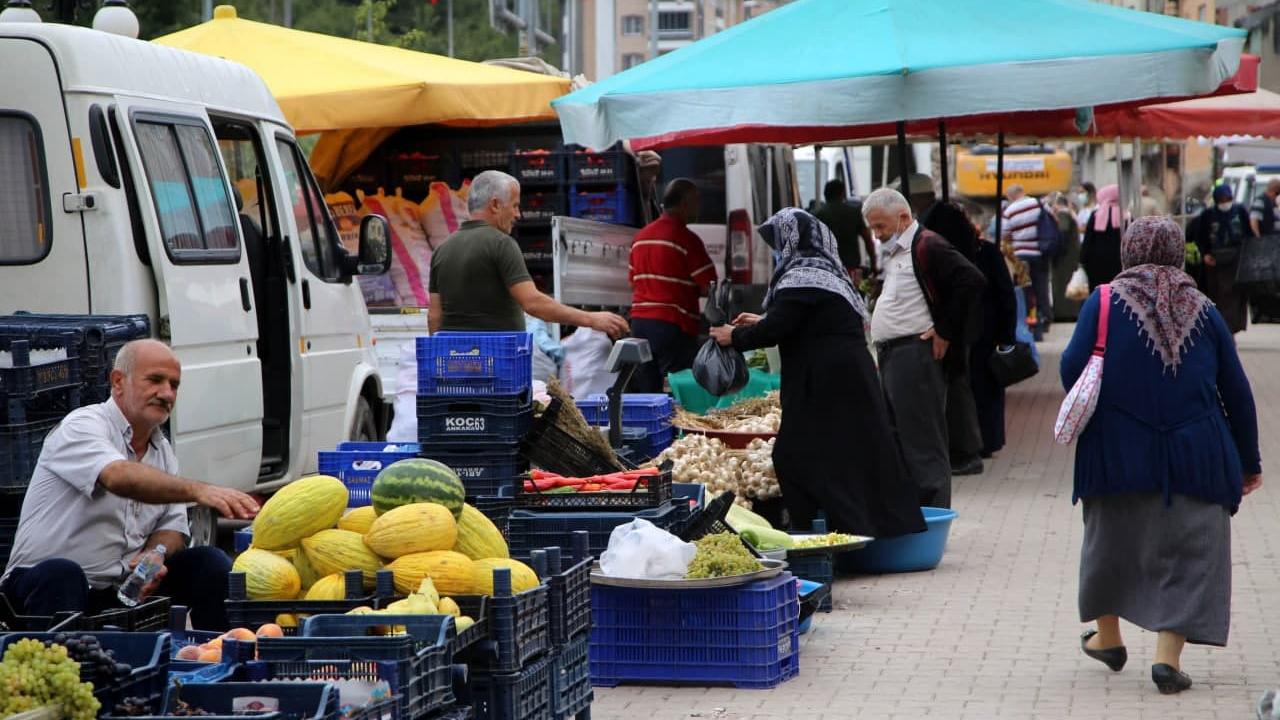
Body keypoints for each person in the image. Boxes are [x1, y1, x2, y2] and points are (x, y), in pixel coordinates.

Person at [1063, 217, 1261, 695]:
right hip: (1197, 452)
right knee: (1190, 552)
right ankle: (1166, 659)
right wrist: (1248, 462)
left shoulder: (1103, 301)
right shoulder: (1205, 309)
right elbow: (1236, 391)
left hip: (1114, 452)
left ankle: (1109, 639)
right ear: (1177, 252)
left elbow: (1071, 370)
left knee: (1110, 542)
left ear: (1128, 251)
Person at [0, 340, 261, 630]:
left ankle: (214, 650)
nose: (166, 393)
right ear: (118, 382)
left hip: (121, 592)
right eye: (155, 380)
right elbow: (117, 476)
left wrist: (155, 553)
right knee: (63, 574)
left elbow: (173, 528)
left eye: (174, 385)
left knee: (209, 564)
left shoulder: (163, 452)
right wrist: (199, 491)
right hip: (44, 588)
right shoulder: (82, 425)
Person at [708, 208, 926, 538]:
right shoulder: (826, 272)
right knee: (850, 453)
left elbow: (782, 325)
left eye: (779, 242)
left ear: (792, 240)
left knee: (799, 456)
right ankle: (856, 530)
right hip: (846, 378)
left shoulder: (801, 275)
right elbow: (803, 318)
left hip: (825, 382)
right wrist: (763, 321)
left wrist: (734, 336)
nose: (777, 250)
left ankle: (818, 533)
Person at [863, 189, 986, 509]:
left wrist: (945, 329)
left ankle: (932, 514)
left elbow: (971, 280)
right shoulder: (899, 251)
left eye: (880, 226)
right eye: (873, 228)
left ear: (903, 217)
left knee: (922, 442)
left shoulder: (928, 244)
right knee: (902, 438)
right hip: (895, 355)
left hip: (914, 355)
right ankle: (913, 512)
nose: (877, 235)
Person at [428, 170, 629, 338]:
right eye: (515, 205)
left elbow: (434, 317)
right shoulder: (502, 244)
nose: (518, 214)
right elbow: (533, 303)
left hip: (454, 361)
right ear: (495, 205)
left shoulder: (441, 250)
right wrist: (591, 319)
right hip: (498, 362)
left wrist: (438, 358)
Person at [627, 179, 718, 393]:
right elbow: (709, 286)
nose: (699, 207)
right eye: (696, 202)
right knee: (677, 388)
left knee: (648, 390)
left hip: (639, 324)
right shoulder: (686, 239)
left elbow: (633, 283)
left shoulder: (640, 238)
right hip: (672, 325)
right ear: (685, 204)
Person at [921, 202, 985, 476]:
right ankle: (966, 449)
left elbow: (971, 281)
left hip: (953, 328)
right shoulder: (963, 245)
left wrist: (945, 329)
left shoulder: (939, 249)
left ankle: (966, 451)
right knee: (959, 384)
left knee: (957, 387)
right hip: (963, 326)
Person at [969, 214, 1019, 458]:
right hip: (989, 332)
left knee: (975, 388)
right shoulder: (988, 252)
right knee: (988, 389)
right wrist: (1006, 334)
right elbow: (1006, 294)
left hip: (974, 333)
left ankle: (976, 441)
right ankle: (989, 440)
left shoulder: (953, 252)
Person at [1194, 184, 1254, 334]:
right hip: (1215, 261)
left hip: (1236, 260)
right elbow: (1200, 237)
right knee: (1217, 295)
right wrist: (1205, 254)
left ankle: (1230, 329)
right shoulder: (1208, 215)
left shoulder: (1240, 211)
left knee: (1234, 295)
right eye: (1221, 200)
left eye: (1227, 199)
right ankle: (1220, 329)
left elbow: (1248, 235)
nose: (1225, 203)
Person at [1002, 184, 1051, 336]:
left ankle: (1030, 320)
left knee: (1026, 290)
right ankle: (1044, 319)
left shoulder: (1009, 211)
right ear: (1022, 192)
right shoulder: (1039, 204)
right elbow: (1051, 222)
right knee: (1041, 287)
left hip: (1021, 256)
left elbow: (1005, 235)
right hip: (1040, 253)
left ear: (1010, 196)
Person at [813, 179, 876, 280]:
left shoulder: (817, 215)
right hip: (851, 270)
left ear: (825, 194)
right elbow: (867, 239)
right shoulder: (854, 212)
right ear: (842, 193)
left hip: (827, 270)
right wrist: (873, 264)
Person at [1079, 184, 1125, 292]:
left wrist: (1083, 260)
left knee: (1100, 295)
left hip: (1096, 265)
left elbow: (1088, 241)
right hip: (1119, 264)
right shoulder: (1125, 216)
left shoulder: (1096, 215)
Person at [1050, 193, 1083, 322]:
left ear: (1057, 204)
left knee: (1062, 285)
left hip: (1064, 259)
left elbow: (1062, 233)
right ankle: (1069, 312)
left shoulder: (1062, 215)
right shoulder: (1069, 214)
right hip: (1069, 257)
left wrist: (1055, 251)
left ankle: (1064, 314)